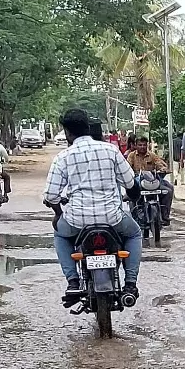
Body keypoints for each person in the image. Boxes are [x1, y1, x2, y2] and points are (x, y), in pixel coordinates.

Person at [43, 108, 145, 304]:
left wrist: (58, 214)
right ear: (88, 127)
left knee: (59, 233)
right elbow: (131, 183)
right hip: (112, 219)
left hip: (76, 221)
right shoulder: (111, 151)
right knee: (134, 234)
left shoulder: (62, 157)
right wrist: (133, 196)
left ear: (67, 132)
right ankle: (130, 284)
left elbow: (51, 195)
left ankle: (73, 282)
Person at [125, 135, 174, 223]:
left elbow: (159, 163)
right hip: (138, 180)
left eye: (144, 145)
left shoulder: (152, 155)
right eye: (140, 145)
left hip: (152, 181)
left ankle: (164, 215)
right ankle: (134, 216)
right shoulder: (131, 156)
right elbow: (127, 167)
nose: (142, 147)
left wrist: (162, 169)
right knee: (131, 194)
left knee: (169, 190)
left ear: (147, 145)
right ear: (136, 145)